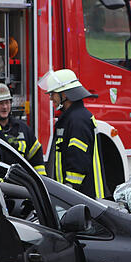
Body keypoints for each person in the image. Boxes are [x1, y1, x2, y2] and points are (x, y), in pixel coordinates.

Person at [38, 69, 105, 199]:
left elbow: (78, 159)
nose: (51, 97)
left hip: (83, 195)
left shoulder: (78, 119)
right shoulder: (71, 117)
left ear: (65, 94)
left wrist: (69, 190)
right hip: (78, 194)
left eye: (53, 93)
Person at [0, 82, 46, 175]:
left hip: (21, 184)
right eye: (0, 103)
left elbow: (36, 157)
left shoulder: (22, 128)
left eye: (7, 102)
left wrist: (41, 181)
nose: (5, 107)